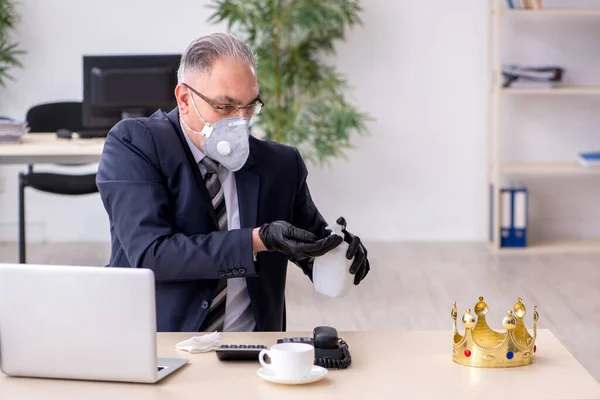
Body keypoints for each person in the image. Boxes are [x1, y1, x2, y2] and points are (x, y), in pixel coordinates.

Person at [96, 32, 370, 333]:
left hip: (252, 350)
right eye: (225, 107)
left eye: (250, 106)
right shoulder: (135, 144)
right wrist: (257, 240)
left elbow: (307, 245)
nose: (240, 120)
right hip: (158, 343)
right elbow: (152, 255)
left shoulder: (280, 165)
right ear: (185, 99)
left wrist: (339, 253)